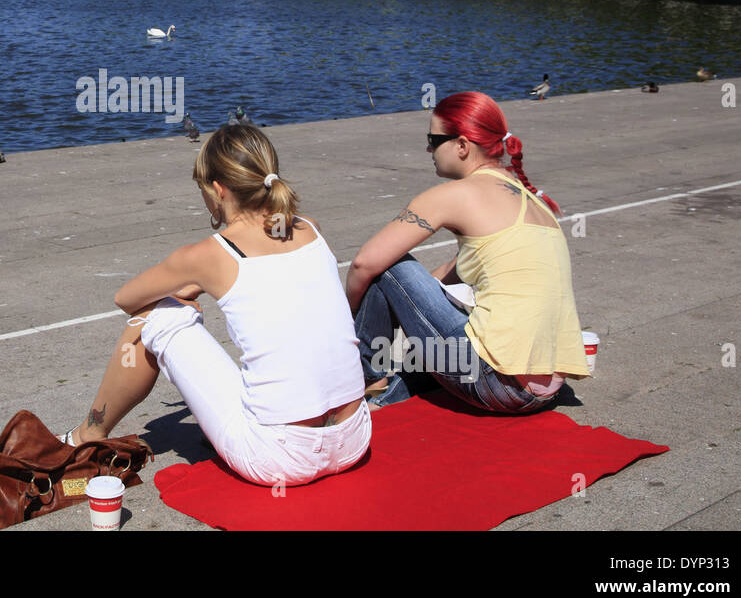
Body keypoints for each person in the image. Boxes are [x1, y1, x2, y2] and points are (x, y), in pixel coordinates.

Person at [57, 124, 370, 486]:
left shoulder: (208, 255)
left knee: (153, 317)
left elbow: (127, 299)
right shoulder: (310, 228)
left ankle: (86, 436)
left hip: (281, 458)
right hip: (354, 438)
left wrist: (184, 292)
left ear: (219, 189)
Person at [346, 91, 589, 413]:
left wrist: (342, 322)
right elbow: (444, 277)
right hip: (544, 389)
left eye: (433, 139)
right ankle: (388, 396)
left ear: (462, 145)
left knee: (389, 265)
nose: (428, 149)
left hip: (496, 383)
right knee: (434, 306)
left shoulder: (455, 195)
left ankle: (364, 377)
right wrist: (401, 303)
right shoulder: (529, 198)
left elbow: (364, 264)